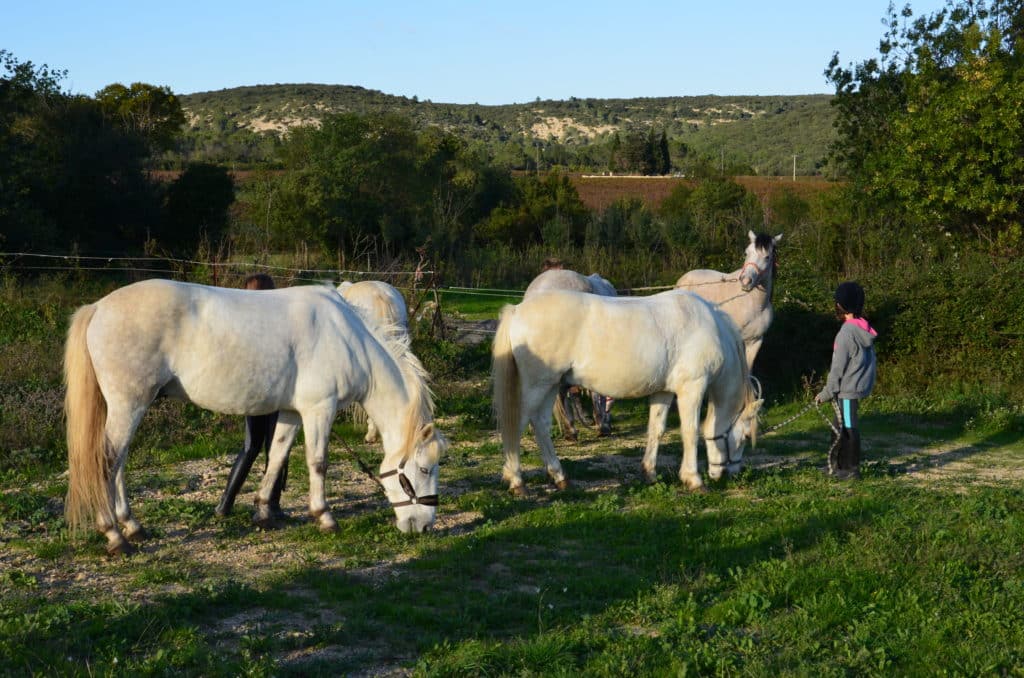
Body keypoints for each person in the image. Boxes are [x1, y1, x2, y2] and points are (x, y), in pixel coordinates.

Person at [215, 273, 288, 518]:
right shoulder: (279, 322)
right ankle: (271, 506)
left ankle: (226, 503)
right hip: (276, 394)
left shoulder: (240, 324)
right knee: (274, 449)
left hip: (253, 394)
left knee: (250, 448)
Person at [815, 281, 878, 480]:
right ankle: (835, 465)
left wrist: (826, 392)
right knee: (838, 424)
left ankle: (851, 469)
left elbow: (837, 369)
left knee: (849, 428)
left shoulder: (846, 334)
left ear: (841, 305)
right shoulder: (863, 328)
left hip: (848, 390)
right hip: (851, 388)